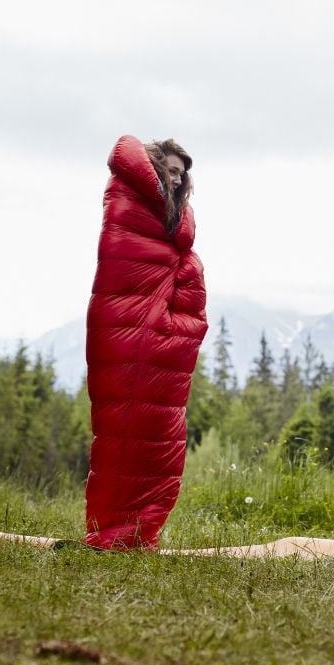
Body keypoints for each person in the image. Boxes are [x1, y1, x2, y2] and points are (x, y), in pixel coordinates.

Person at [83, 135, 208, 550]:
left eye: (180, 174)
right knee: (121, 433)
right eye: (169, 170)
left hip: (155, 336)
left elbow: (176, 267)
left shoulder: (173, 217)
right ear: (152, 165)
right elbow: (121, 255)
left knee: (156, 436)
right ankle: (114, 531)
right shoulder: (127, 197)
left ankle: (134, 532)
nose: (174, 180)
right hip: (121, 326)